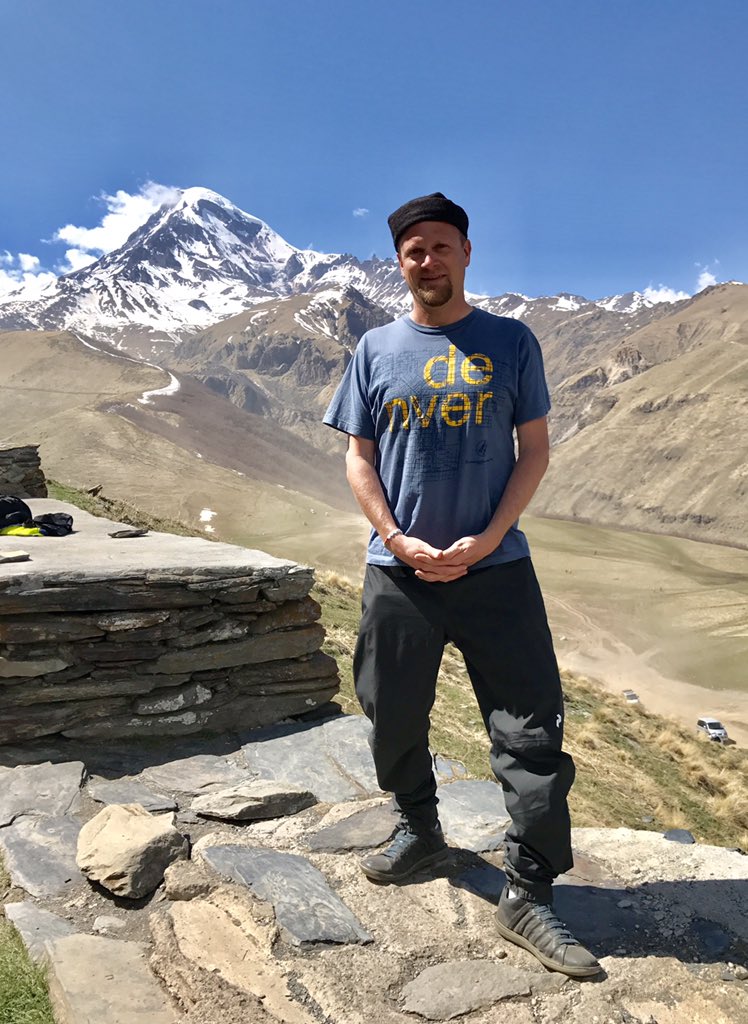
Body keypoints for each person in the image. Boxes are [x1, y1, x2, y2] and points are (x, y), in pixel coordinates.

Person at [323, 192, 600, 978]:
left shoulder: (512, 342)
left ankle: (530, 893)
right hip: (397, 574)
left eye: (441, 246)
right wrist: (393, 536)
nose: (428, 261)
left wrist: (487, 538)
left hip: (498, 573)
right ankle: (420, 829)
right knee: (391, 714)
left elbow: (535, 450)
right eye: (414, 250)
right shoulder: (375, 349)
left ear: (467, 253)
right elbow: (358, 458)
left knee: (530, 733)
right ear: (400, 263)